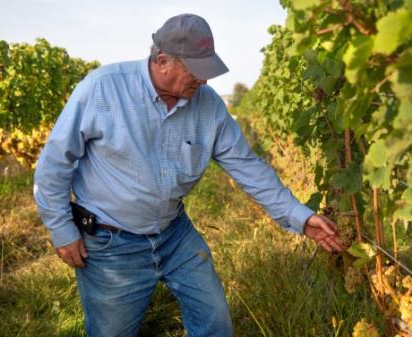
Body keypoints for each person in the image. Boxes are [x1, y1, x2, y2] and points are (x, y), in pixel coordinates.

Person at [33, 13, 344, 337]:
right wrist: (61, 229)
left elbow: (248, 166)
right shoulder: (102, 89)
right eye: (196, 70)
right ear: (162, 60)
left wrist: (300, 217)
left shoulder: (208, 106)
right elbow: (54, 163)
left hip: (174, 234)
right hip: (111, 244)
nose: (205, 81)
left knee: (216, 321)